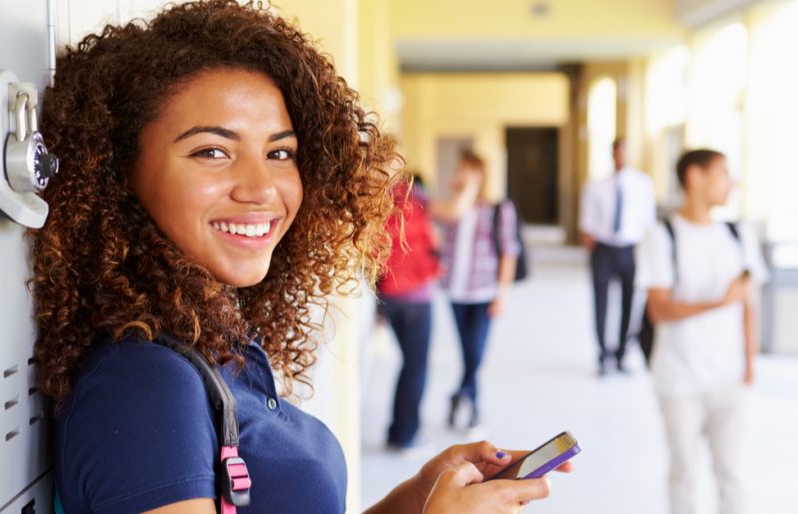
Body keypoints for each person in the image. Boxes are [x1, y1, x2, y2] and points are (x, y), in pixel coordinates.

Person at [32, 2, 569, 513]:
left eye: (279, 153)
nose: (262, 188)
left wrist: (421, 496)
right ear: (117, 171)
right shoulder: (143, 385)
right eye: (213, 151)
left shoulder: (214, 339)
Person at [637, 149, 767, 514]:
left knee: (732, 473)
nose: (733, 183)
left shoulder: (739, 234)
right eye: (724, 173)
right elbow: (659, 309)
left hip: (729, 377)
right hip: (679, 379)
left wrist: (749, 363)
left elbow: (748, 305)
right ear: (695, 177)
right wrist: (718, 302)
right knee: (684, 474)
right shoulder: (661, 236)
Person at [435, 151, 520, 431]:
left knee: (475, 353)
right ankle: (467, 401)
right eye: (459, 170)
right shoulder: (453, 208)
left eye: (468, 171)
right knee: (468, 352)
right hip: (455, 291)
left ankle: (465, 398)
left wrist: (502, 294)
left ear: (480, 175)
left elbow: (509, 252)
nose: (461, 175)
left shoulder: (498, 209)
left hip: (483, 292)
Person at [580, 138, 656, 375]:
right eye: (617, 152)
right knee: (601, 301)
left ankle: (622, 353)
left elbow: (648, 221)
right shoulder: (596, 186)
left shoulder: (644, 184)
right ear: (612, 154)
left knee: (629, 302)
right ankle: (603, 353)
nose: (621, 156)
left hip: (630, 248)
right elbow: (587, 221)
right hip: (604, 247)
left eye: (625, 151)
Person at [378, 175, 441, 450]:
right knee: (415, 367)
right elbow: (434, 246)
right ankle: (405, 433)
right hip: (418, 299)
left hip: (391, 297)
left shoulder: (381, 209)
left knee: (407, 364)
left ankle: (397, 429)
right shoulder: (421, 206)